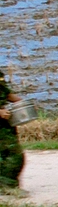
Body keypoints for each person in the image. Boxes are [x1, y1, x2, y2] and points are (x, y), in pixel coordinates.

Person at [0, 57, 23, 198]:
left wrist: (22, 102)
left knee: (5, 154)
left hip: (4, 122)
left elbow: (5, 93)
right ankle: (8, 185)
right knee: (14, 154)